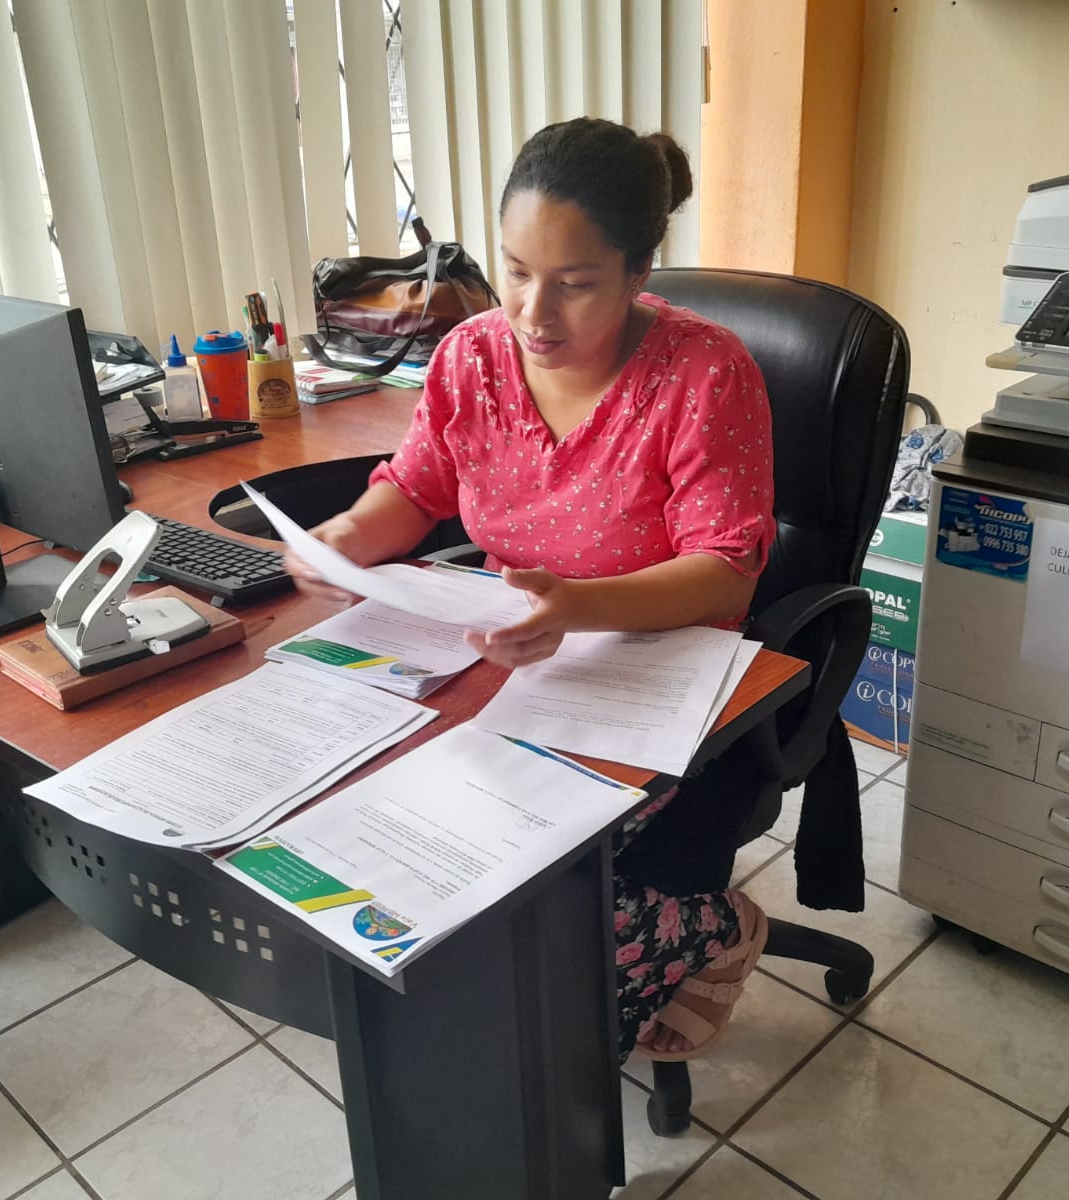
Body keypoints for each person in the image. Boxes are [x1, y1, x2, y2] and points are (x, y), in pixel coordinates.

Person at [285, 117, 775, 1061]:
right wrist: (344, 537)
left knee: (536, 913)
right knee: (377, 839)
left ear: (638, 273)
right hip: (504, 659)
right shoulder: (470, 356)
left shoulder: (705, 374)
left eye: (575, 284)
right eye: (515, 271)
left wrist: (575, 607)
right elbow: (417, 488)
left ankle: (716, 929)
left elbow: (727, 565)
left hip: (651, 674)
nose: (533, 313)